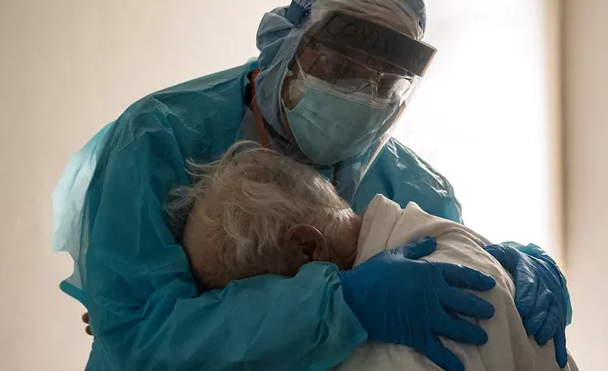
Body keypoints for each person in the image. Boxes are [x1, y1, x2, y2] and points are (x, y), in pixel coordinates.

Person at [53, 0, 572, 370]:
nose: (361, 96)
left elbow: (456, 284)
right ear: (285, 46)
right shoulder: (157, 139)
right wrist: (336, 304)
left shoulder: (413, 185)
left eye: (386, 84)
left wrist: (506, 264)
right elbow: (138, 339)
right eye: (341, 67)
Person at [168, 141, 577, 371]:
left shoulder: (418, 330)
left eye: (249, 295)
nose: (260, 320)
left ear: (308, 248)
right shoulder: (433, 235)